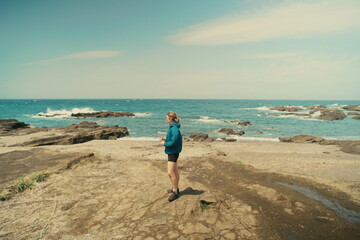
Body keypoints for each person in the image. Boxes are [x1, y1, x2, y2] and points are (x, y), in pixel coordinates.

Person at [160, 111, 182, 202]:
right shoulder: (173, 127)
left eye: (166, 117)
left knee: (170, 172)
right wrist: (166, 139)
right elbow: (173, 139)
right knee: (175, 170)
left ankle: (175, 192)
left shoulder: (174, 129)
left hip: (173, 152)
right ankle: (175, 188)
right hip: (173, 151)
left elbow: (173, 142)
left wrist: (164, 143)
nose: (166, 119)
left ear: (170, 118)